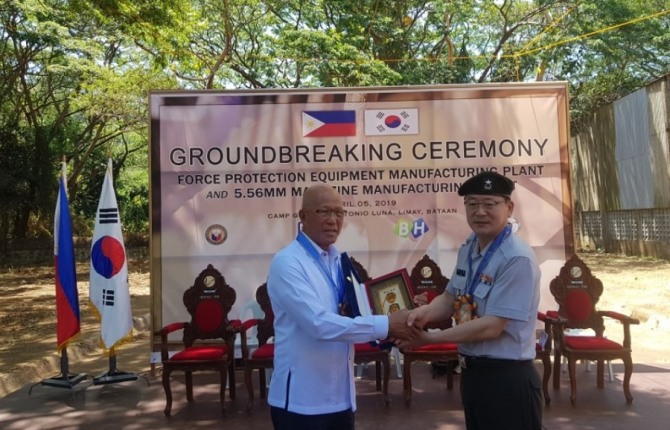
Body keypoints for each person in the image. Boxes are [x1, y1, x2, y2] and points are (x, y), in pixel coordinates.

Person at [396, 171, 542, 430]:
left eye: (489, 204)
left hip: (507, 379)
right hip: (474, 375)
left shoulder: (516, 258)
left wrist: (429, 340)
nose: (480, 212)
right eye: (472, 204)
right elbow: (451, 297)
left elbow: (492, 326)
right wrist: (423, 314)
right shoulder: (470, 247)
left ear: (509, 208)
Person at [267, 184, 417, 430]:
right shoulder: (287, 262)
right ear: (303, 217)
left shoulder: (340, 261)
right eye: (324, 212)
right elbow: (318, 324)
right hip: (301, 401)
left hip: (341, 397)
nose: (333, 221)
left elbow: (360, 314)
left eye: (339, 213)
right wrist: (389, 324)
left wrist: (405, 318)